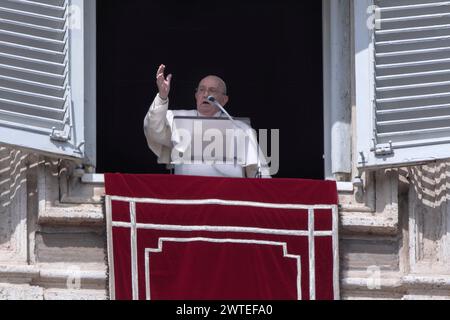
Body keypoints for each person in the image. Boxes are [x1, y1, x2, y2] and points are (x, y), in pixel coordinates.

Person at [144, 64, 270, 178]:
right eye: (201, 90)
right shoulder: (177, 119)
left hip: (229, 195)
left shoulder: (241, 128)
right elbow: (152, 128)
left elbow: (258, 171)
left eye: (212, 90)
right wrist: (162, 97)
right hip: (188, 193)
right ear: (196, 96)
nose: (205, 94)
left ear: (224, 100)